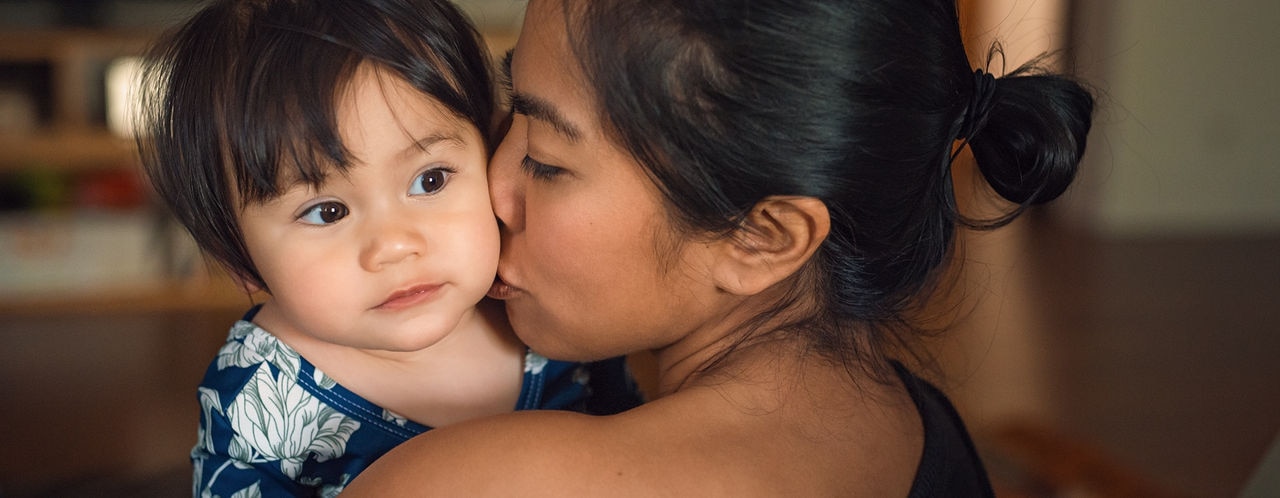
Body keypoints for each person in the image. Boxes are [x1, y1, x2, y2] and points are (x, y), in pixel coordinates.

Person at [344, 0, 1093, 495]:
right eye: (513, 112)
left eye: (545, 157)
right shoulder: (908, 424)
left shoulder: (479, 483)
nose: (490, 189)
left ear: (761, 237)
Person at [134, 1, 641, 496]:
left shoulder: (547, 306)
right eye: (327, 211)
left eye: (430, 179)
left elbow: (648, 448)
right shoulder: (260, 398)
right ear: (237, 259)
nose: (395, 246)